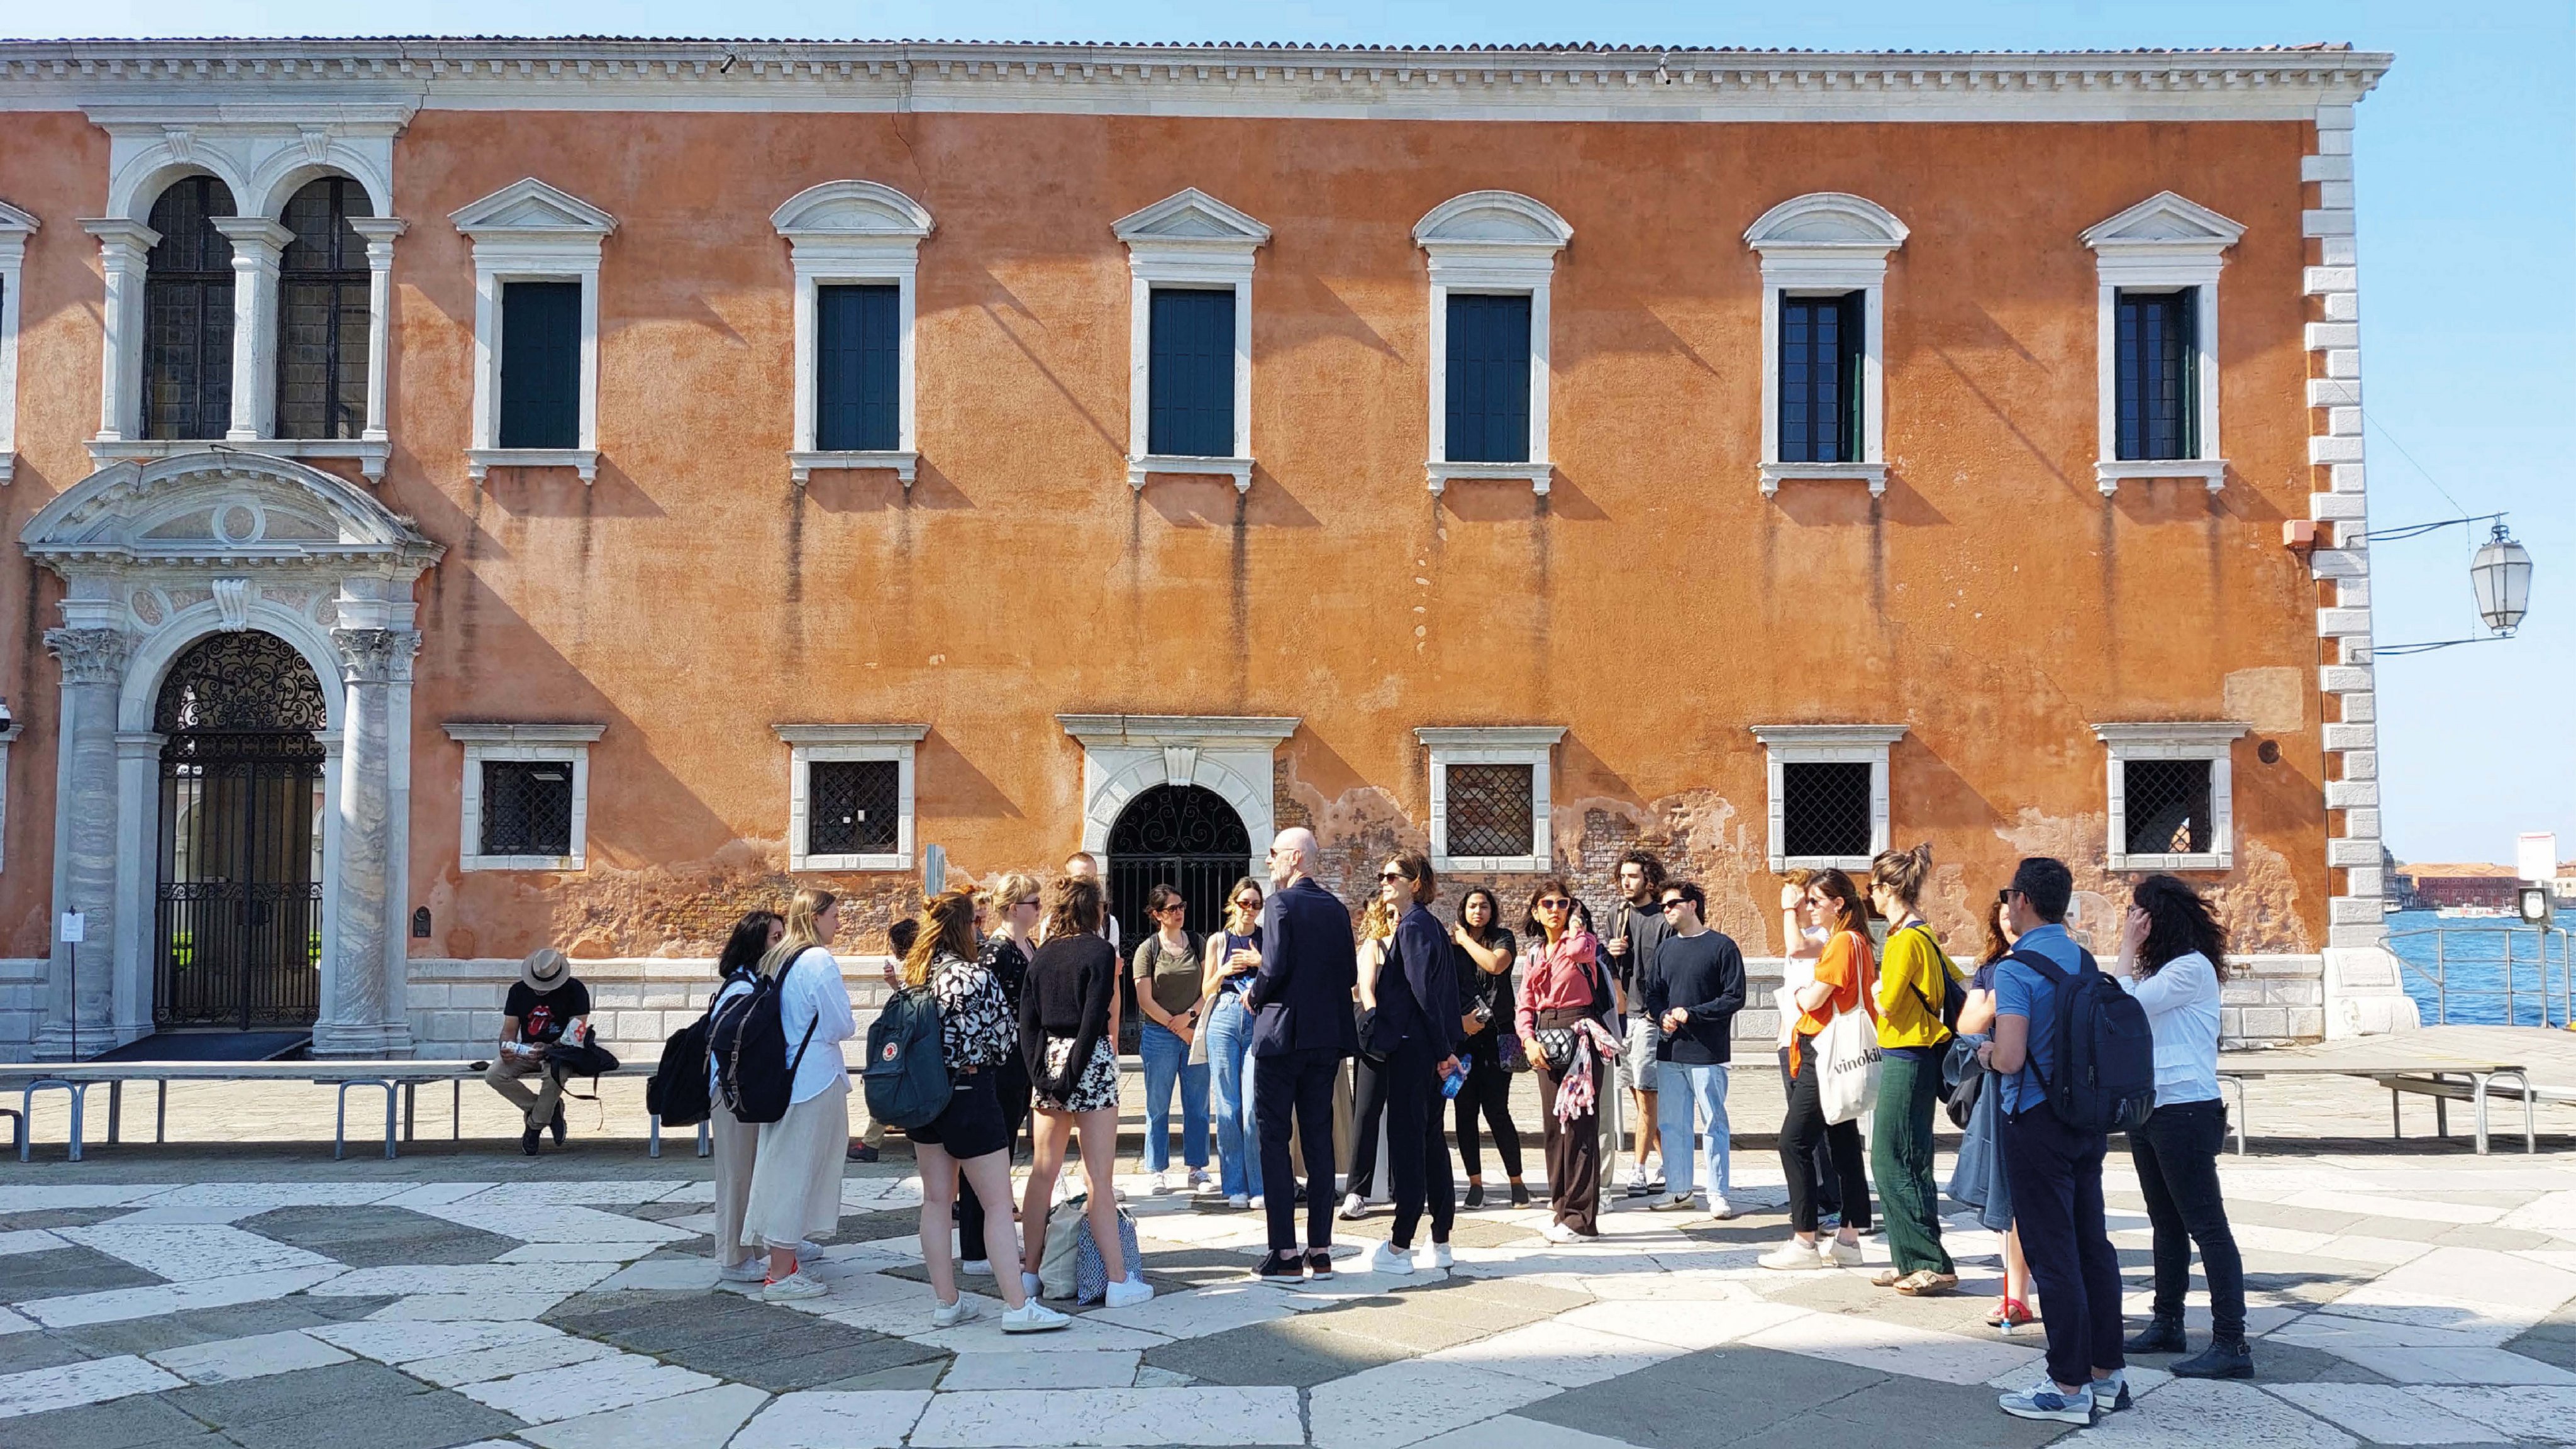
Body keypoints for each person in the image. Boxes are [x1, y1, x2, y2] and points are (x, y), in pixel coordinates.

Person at [1984, 857, 2128, 1426]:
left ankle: (2067, 1385)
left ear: (2021, 900)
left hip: (2036, 1117)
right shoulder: (2081, 958)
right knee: (2093, 1244)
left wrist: (1983, 1053)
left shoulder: (2016, 969)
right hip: (2085, 1118)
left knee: (2052, 1252)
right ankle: (2105, 1372)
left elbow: (2012, 1055)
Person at [904, 889, 1072, 1333]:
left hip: (926, 1098)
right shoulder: (972, 976)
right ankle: (1017, 1306)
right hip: (971, 1091)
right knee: (998, 1203)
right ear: (964, 928)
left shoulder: (916, 974)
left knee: (937, 1201)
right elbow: (1003, 1040)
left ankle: (946, 1301)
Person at [2114, 874, 2251, 1380]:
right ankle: (2167, 1321)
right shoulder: (2170, 971)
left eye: (2137, 914)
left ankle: (2231, 1342)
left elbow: (2121, 1005)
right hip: (2154, 1107)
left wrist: (2127, 948)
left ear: (2156, 919)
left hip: (2186, 1109)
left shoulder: (2190, 970)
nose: (2130, 922)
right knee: (2165, 1222)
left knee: (2207, 1226)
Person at [1018, 875, 1150, 1308]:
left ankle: (1031, 1272)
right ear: (1097, 909)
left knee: (1042, 1172)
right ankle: (1116, 1279)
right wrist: (1072, 1076)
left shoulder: (1041, 957)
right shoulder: (1101, 951)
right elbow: (1096, 1019)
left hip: (1048, 1057)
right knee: (1099, 1178)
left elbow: (1029, 1023)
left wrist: (1042, 1077)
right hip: (1088, 1061)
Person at [1246, 826, 1360, 1280]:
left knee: (1273, 1139)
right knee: (1318, 1139)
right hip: (1325, 1038)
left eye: (1274, 854)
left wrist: (1253, 996)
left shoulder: (1280, 905)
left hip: (1281, 1037)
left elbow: (1271, 967)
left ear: (1295, 858)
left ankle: (1285, 1253)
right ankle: (1321, 1249)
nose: (1269, 861)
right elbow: (1349, 971)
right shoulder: (1336, 908)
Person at [740, 888, 857, 1302]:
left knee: (784, 1168)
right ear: (817, 917)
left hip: (787, 1075)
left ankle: (785, 1260)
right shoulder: (818, 961)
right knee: (798, 1172)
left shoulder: (780, 959)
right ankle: (780, 1274)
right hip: (815, 1078)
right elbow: (842, 1024)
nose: (839, 924)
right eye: (835, 916)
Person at [1763, 869, 1874, 1270]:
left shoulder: (1842, 942)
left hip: (1822, 1050)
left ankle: (1805, 1240)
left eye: (1815, 902)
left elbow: (1814, 999)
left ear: (1838, 904)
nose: (1809, 908)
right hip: (1836, 1049)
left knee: (1793, 1143)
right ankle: (1849, 1236)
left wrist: (1797, 993)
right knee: (1843, 1140)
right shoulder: (1859, 940)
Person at [1869, 843, 1965, 1296]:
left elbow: (1886, 1005)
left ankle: (1930, 1260)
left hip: (1908, 1053)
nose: (1869, 895)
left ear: (1888, 889)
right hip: (1918, 1052)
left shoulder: (1904, 940)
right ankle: (1908, 1256)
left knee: (1895, 1158)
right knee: (1906, 1158)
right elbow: (1956, 982)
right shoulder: (1923, 933)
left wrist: (1875, 987)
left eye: (1872, 887)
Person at [1360, 853, 1461, 1274]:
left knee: (1410, 1144)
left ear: (1415, 882)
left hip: (1415, 1049)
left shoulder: (1416, 927)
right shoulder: (1424, 925)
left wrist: (1442, 1053)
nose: (1384, 881)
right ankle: (1440, 1240)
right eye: (1382, 875)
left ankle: (1401, 1245)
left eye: (1393, 876)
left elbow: (1424, 995)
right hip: (1426, 1048)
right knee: (1430, 1140)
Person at [1948, 897, 2038, 1333]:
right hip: (1996, 1088)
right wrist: (2004, 990)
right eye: (2001, 918)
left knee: (2021, 1197)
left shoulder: (2046, 962)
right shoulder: (1991, 969)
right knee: (2002, 1191)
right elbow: (1968, 1025)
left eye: (2014, 915)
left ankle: (2020, 1295)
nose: (2009, 923)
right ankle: (2017, 1291)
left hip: (2028, 1086)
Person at [1517, 880, 1614, 1243]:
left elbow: (1578, 951)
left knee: (1580, 1126)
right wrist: (1527, 1039)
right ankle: (1561, 1209)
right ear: (1536, 911)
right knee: (1553, 1128)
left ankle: (1581, 1219)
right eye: (1548, 903)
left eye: (1563, 903)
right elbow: (1525, 1002)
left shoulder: (1585, 943)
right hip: (1544, 1036)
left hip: (1580, 1035)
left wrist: (1575, 924)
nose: (1555, 909)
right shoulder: (1534, 954)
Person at [955, 873, 1041, 1276]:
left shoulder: (1029, 946)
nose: (1040, 910)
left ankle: (994, 1240)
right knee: (989, 1156)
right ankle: (975, 1248)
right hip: (1000, 1066)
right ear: (1013, 909)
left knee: (1003, 1153)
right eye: (1034, 903)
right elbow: (982, 1010)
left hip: (1021, 1064)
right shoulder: (996, 951)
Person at [1644, 881, 1744, 1219]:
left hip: (1708, 1052)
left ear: (1693, 905)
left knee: (1714, 1122)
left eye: (1672, 903)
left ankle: (1717, 1193)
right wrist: (1661, 1016)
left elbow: (1735, 996)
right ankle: (1678, 1189)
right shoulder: (1665, 950)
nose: (1667, 910)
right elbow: (1653, 994)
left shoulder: (1722, 947)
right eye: (1664, 906)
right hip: (1670, 1051)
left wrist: (1693, 1014)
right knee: (1672, 1124)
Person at [708, 911, 781, 1284]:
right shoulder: (741, 987)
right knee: (737, 1175)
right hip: (732, 1093)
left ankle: (754, 1246)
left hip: (744, 1091)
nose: (781, 943)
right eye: (774, 937)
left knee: (751, 1172)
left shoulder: (757, 982)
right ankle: (733, 1259)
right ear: (756, 943)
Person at [1131, 883, 1211, 1194]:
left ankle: (1197, 1168)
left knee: (1197, 1103)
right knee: (1158, 1104)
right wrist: (1175, 1025)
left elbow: (1209, 986)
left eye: (1181, 906)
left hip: (1194, 1031)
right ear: (1157, 915)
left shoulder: (1198, 944)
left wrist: (1191, 1017)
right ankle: (1157, 1169)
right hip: (1159, 1035)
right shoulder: (1147, 950)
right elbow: (1144, 999)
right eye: (1172, 909)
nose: (1179, 913)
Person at [1451, 887, 1528, 1209]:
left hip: (1500, 1036)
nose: (1478, 912)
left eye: (1483, 906)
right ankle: (1475, 1183)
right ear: (1463, 910)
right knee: (1464, 1112)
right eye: (1472, 906)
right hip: (1465, 1037)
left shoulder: (1503, 938)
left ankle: (1517, 1182)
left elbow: (1496, 966)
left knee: (1497, 1110)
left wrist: (1465, 940)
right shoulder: (1450, 948)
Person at [1773, 870, 1841, 1227]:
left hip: (1816, 1040)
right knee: (1803, 1126)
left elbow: (1796, 948)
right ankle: (1811, 1193)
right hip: (1793, 1041)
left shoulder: (1824, 936)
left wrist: (1789, 911)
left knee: (1816, 1126)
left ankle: (1831, 1199)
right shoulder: (1803, 934)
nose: (1798, 904)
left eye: (1801, 898)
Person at [1602, 851, 1671, 1197]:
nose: (1626, 883)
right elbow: (1604, 964)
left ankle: (1639, 1169)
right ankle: (1669, 1162)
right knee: (1637, 1096)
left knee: (1647, 1096)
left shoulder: (1662, 917)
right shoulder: (1618, 914)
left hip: (1648, 1016)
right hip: (1622, 1016)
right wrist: (1609, 950)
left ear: (1648, 879)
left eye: (1632, 876)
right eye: (1623, 877)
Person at [1202, 878, 1267, 1208]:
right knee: (1227, 1105)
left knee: (1253, 1106)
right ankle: (1234, 1185)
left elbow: (1278, 977)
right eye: (1245, 903)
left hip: (1256, 1018)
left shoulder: (1267, 939)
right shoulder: (1218, 940)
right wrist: (1225, 969)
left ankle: (1258, 1185)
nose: (1250, 909)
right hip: (1225, 1016)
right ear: (1234, 904)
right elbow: (1206, 990)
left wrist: (1260, 963)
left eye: (1256, 904)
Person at [488, 948, 590, 1157]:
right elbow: (509, 1030)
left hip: (561, 1051)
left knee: (554, 1077)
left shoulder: (576, 990)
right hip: (526, 1048)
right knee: (494, 1075)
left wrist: (549, 1048)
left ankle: (534, 1127)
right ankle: (549, 1110)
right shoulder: (518, 991)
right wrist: (507, 1047)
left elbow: (576, 1033)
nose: (540, 990)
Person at [1340, 895, 1397, 1218]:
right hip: (1377, 1040)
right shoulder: (1373, 947)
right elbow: (1366, 989)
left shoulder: (1417, 946)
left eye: (1399, 914)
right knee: (1366, 1115)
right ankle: (1356, 1191)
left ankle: (1404, 1186)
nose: (1396, 920)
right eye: (1390, 915)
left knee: (1406, 1115)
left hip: (1408, 1040)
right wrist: (1380, 1021)